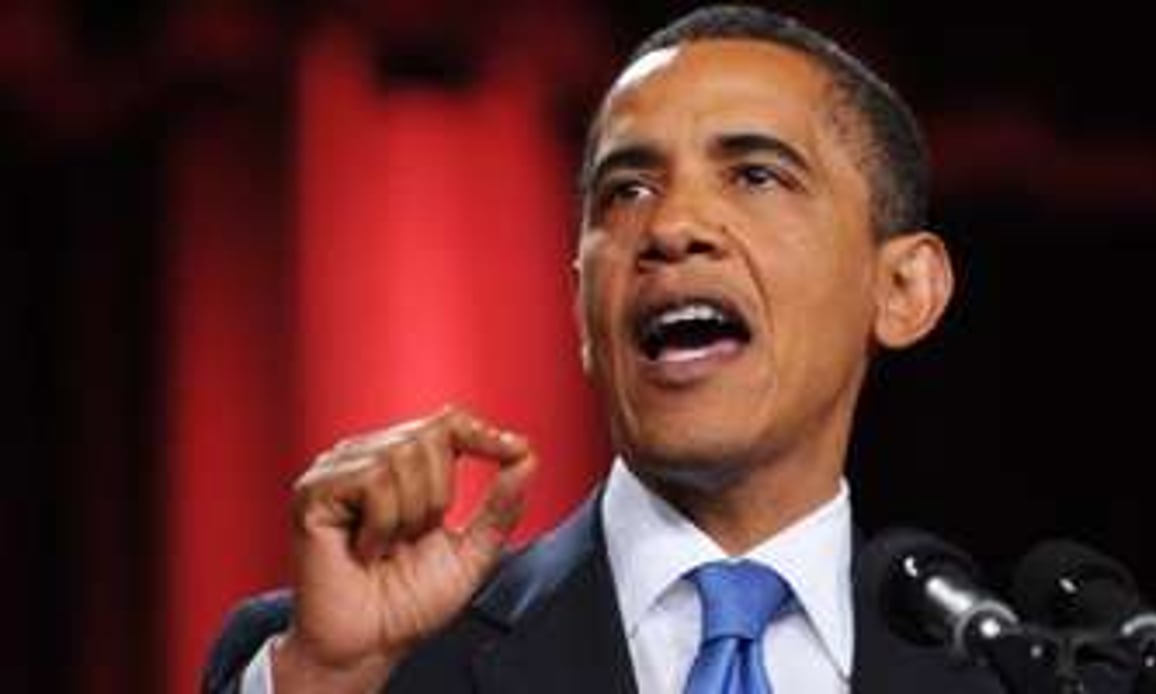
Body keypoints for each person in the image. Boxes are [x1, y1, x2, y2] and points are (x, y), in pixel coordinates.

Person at [205, 5, 997, 692]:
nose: (668, 229)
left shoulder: (1017, 676)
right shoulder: (355, 658)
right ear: (582, 306)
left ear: (902, 291)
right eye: (627, 191)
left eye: (754, 176)